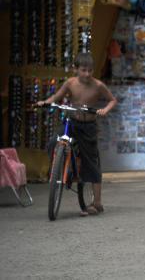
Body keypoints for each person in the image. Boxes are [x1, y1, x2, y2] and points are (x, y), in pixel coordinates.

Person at [36, 52, 117, 216]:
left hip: (88, 126)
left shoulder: (98, 85)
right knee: (53, 142)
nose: (87, 74)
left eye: (90, 70)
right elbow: (57, 97)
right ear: (75, 69)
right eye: (83, 70)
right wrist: (45, 102)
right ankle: (59, 166)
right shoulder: (70, 83)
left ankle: (97, 202)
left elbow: (112, 100)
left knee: (91, 162)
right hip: (71, 123)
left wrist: (104, 110)